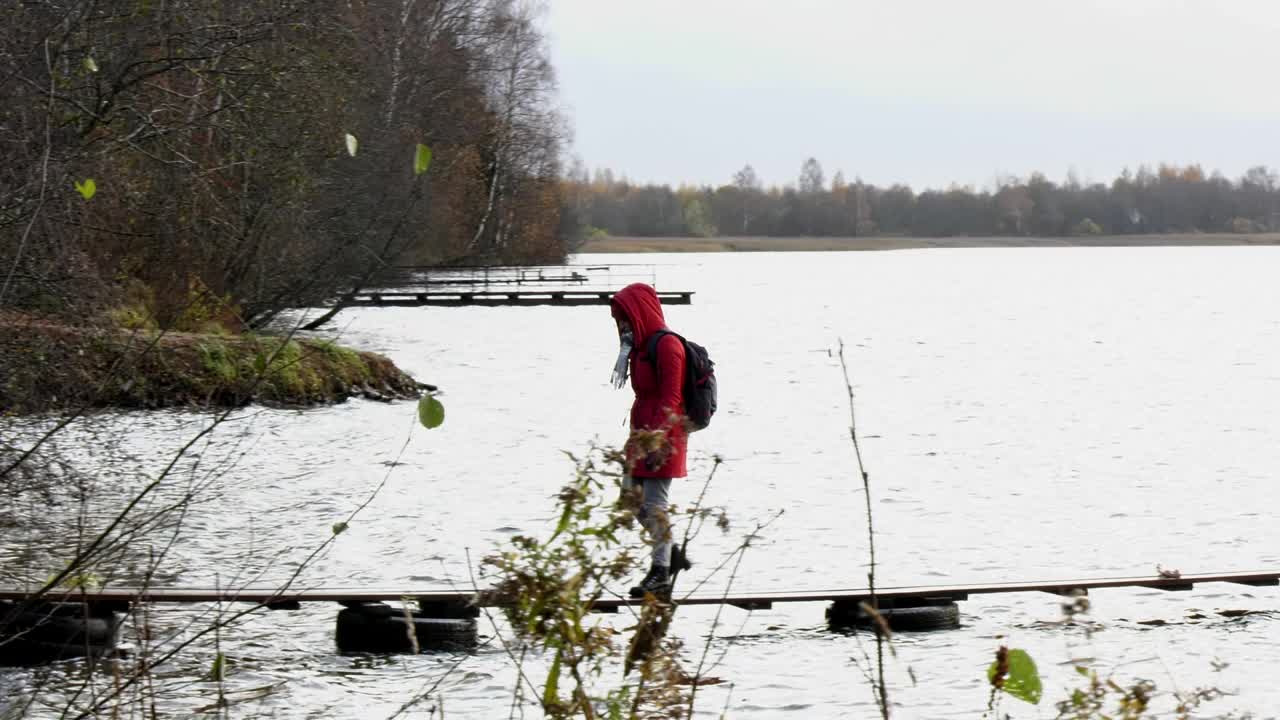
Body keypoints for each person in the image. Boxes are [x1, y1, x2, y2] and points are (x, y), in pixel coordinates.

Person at [609, 283, 688, 597]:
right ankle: (672, 555)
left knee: (654, 506)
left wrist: (656, 438)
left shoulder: (668, 346)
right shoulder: (637, 349)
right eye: (618, 320)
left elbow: (671, 397)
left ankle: (660, 577)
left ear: (640, 312)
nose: (622, 325)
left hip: (664, 437)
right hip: (641, 435)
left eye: (626, 317)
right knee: (630, 500)